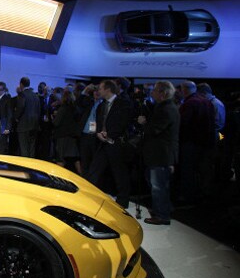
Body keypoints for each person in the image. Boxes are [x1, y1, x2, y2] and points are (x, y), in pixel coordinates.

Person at [137, 81, 180, 225]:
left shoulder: (166, 109)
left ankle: (162, 215)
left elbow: (155, 129)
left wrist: (144, 123)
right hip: (159, 154)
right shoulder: (165, 107)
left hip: (161, 154)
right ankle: (164, 209)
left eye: (155, 90)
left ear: (163, 93)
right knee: (158, 184)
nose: (152, 92)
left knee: (158, 186)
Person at [87, 80, 133, 208]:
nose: (98, 91)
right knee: (94, 172)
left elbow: (124, 122)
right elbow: (97, 122)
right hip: (102, 143)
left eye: (100, 89)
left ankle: (122, 202)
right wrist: (98, 133)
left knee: (120, 174)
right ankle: (88, 199)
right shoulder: (101, 105)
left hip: (116, 143)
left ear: (108, 89)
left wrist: (110, 135)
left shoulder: (123, 103)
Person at [178, 80, 215, 204]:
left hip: (190, 142)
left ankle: (188, 196)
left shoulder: (189, 104)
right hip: (206, 142)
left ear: (184, 90)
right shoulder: (207, 102)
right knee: (203, 170)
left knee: (188, 170)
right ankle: (204, 193)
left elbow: (183, 124)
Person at [52, 90, 81, 173]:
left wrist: (53, 117)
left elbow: (56, 123)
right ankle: (82, 176)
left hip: (62, 137)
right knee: (76, 159)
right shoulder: (76, 108)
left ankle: (59, 177)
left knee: (60, 159)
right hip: (72, 137)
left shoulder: (62, 108)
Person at [78, 84, 101, 177]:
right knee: (84, 160)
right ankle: (84, 179)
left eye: (99, 91)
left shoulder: (103, 104)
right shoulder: (89, 102)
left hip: (95, 136)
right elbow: (78, 102)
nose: (97, 93)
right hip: (85, 134)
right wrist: (86, 90)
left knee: (94, 161)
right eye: (95, 91)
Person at [15, 77, 40, 157]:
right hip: (34, 125)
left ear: (21, 84)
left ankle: (25, 165)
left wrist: (16, 117)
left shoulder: (22, 94)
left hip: (23, 125)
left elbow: (20, 107)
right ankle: (31, 164)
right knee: (32, 149)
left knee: (24, 149)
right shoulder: (35, 95)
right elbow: (38, 110)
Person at [0, 82, 12, 154]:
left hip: (2, 126)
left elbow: (9, 114)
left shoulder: (7, 99)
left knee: (0, 146)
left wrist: (8, 127)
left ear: (4, 90)